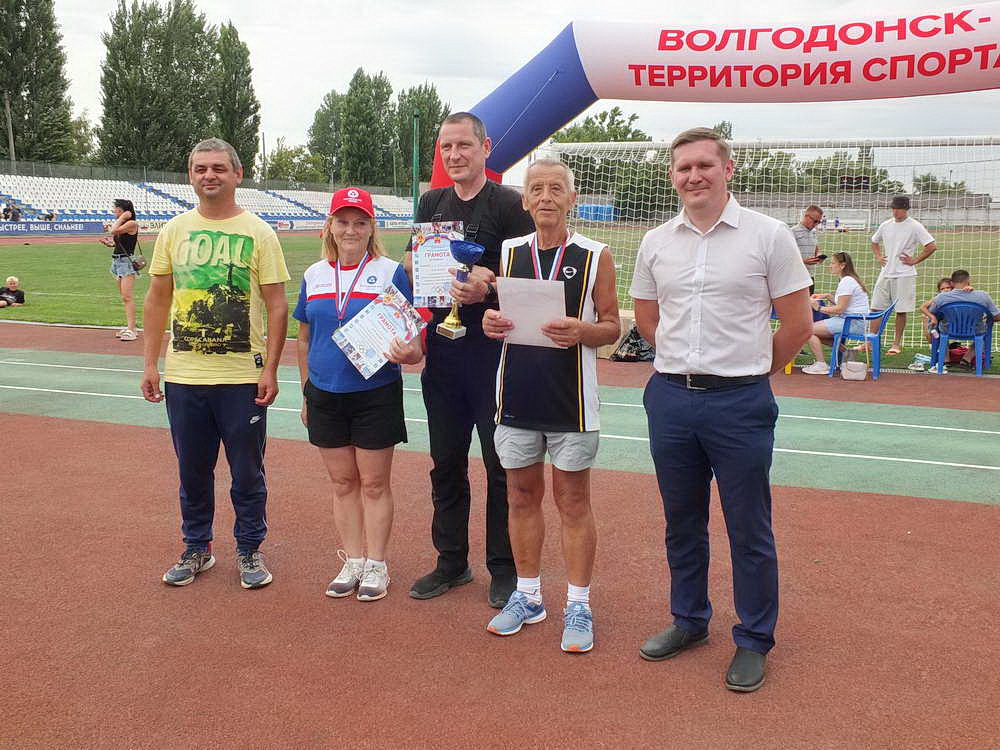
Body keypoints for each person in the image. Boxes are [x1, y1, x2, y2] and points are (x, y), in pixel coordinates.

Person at [629, 127, 812, 693]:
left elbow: (798, 324)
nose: (694, 176)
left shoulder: (768, 235)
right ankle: (689, 620)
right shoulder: (656, 241)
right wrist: (686, 364)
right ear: (672, 176)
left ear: (727, 170)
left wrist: (750, 370)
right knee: (682, 521)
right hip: (671, 399)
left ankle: (754, 638)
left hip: (740, 402)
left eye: (705, 165)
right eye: (684, 168)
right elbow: (647, 319)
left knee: (748, 527)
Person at [481, 160, 620, 653]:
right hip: (517, 396)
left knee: (573, 502)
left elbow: (613, 326)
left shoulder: (596, 255)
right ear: (524, 200)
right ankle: (528, 595)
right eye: (536, 188)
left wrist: (583, 331)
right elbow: (500, 318)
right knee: (520, 496)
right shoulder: (510, 252)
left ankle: (578, 603)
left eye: (556, 189)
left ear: (571, 198)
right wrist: (490, 323)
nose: (546, 197)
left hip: (572, 402)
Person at [140, 138, 290, 590]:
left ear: (237, 175)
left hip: (242, 377)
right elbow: (157, 299)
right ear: (190, 176)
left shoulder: (259, 232)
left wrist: (270, 369)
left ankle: (249, 548)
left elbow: (277, 305)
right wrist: (150, 364)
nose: (209, 175)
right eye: (201, 168)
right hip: (185, 376)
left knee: (247, 472)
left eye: (219, 168)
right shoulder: (173, 231)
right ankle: (197, 547)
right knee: (192, 471)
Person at [404, 112, 535, 608]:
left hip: (494, 354)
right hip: (443, 350)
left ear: (486, 147)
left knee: (500, 464)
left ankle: (503, 567)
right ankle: (451, 561)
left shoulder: (509, 204)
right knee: (445, 462)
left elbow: (530, 276)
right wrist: (416, 265)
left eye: (463, 145)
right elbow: (417, 268)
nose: (454, 155)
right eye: (446, 147)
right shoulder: (431, 202)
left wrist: (490, 283)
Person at [294, 188, 423, 602]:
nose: (351, 230)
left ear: (371, 228)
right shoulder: (314, 275)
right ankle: (353, 560)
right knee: (342, 482)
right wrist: (306, 393)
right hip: (325, 393)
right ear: (330, 227)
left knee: (374, 483)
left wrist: (409, 352)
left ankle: (377, 564)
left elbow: (414, 340)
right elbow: (304, 337)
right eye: (343, 221)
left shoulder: (390, 272)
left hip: (375, 392)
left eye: (360, 222)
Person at [868, 196, 938, 355]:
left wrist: (915, 260)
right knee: (875, 308)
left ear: (906, 209)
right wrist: (878, 256)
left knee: (901, 310)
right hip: (885, 272)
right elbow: (874, 241)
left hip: (905, 274)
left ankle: (896, 344)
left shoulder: (915, 226)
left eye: (898, 209)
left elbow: (931, 246)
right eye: (893, 208)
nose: (895, 211)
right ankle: (870, 342)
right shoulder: (885, 225)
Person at [801, 252, 871, 374]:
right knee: (813, 331)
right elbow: (846, 305)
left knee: (807, 330)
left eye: (833, 263)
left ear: (842, 265)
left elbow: (840, 309)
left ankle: (821, 364)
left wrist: (818, 308)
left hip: (852, 323)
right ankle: (846, 352)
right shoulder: (849, 279)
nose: (830, 266)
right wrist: (828, 296)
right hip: (854, 321)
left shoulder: (846, 282)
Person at [926, 269, 1000, 370]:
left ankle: (945, 359)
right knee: (983, 333)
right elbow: (997, 317)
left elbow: (932, 312)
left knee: (937, 326)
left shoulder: (941, 297)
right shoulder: (983, 296)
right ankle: (966, 359)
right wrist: (987, 318)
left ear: (952, 283)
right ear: (968, 282)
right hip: (974, 330)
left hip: (948, 330)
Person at [99, 199, 140, 340]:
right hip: (118, 261)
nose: (113, 211)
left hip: (126, 263)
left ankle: (132, 330)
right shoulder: (124, 224)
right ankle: (130, 327)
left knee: (127, 297)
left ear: (123, 210)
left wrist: (123, 217)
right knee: (124, 297)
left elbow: (113, 230)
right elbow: (121, 242)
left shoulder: (131, 223)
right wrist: (111, 244)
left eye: (115, 208)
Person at [791, 205, 825, 293]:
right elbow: (785, 256)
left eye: (819, 222)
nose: (816, 224)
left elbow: (815, 247)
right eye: (815, 221)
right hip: (796, 278)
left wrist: (819, 255)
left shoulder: (813, 231)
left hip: (810, 276)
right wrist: (803, 261)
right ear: (806, 216)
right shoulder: (792, 231)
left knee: (810, 300)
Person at [919, 277, 955, 344]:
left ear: (953, 288)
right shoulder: (937, 298)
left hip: (949, 323)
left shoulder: (956, 297)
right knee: (932, 339)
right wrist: (932, 317)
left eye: (948, 287)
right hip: (937, 321)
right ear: (939, 291)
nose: (945, 290)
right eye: (942, 289)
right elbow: (922, 307)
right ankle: (926, 322)